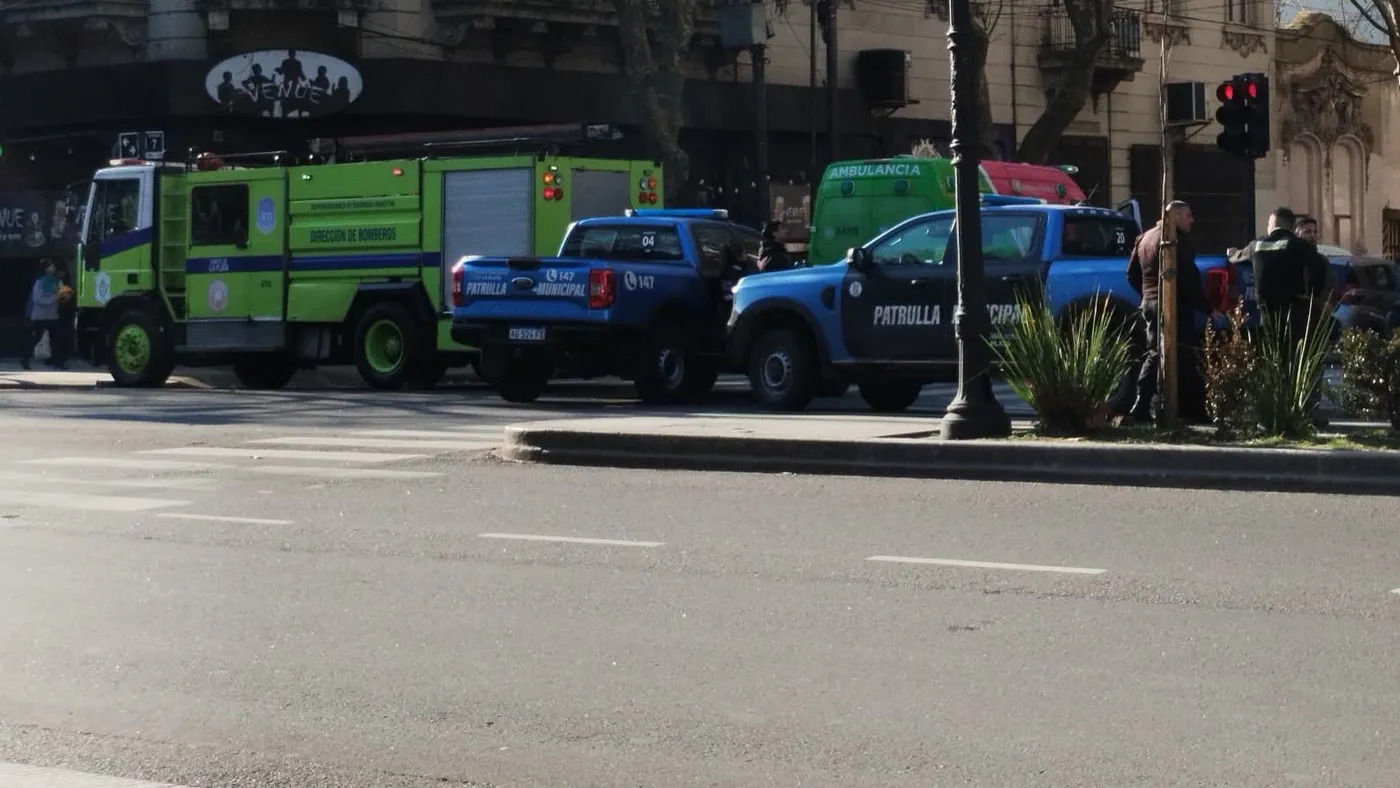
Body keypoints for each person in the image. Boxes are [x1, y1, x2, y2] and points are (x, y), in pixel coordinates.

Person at [1118, 200, 1217, 423]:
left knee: (1159, 351)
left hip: (1150, 303)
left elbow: (1131, 274)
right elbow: (1189, 280)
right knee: (1168, 352)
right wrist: (1207, 308)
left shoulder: (1144, 238)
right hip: (1173, 306)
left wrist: (1148, 295)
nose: (1192, 220)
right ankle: (1153, 407)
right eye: (1187, 216)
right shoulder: (1175, 242)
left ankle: (1155, 407)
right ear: (1174, 217)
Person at [19, 260, 61, 371]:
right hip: (40, 315)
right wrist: (55, 298)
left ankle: (56, 361)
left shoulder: (55, 281)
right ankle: (25, 359)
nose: (54, 268)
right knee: (36, 338)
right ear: (46, 268)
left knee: (56, 338)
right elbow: (38, 299)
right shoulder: (40, 282)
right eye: (52, 266)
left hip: (52, 314)